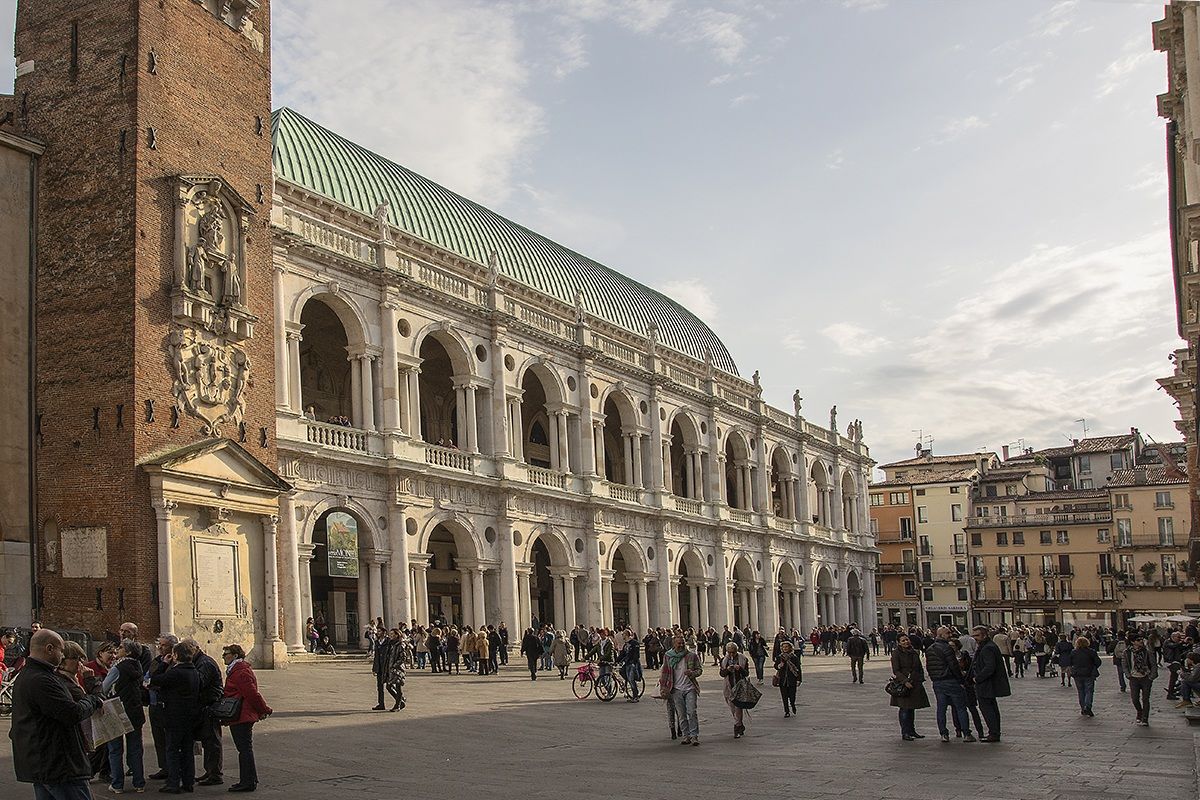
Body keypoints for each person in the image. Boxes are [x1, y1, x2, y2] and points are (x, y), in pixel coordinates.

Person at [9, 629, 105, 800]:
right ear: (49, 649)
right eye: (61, 651)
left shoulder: (30, 675)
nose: (62, 656)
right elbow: (72, 713)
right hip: (58, 764)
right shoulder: (41, 679)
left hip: (45, 762)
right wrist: (93, 700)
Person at [149, 641, 202, 794]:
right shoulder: (194, 671)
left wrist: (164, 664)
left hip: (174, 716)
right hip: (189, 716)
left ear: (176, 655)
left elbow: (155, 678)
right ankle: (188, 782)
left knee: (172, 750)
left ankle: (173, 782)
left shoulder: (176, 672)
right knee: (187, 750)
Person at [219, 644, 271, 793]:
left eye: (226, 654)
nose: (223, 657)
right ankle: (250, 779)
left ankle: (247, 782)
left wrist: (264, 709)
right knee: (244, 749)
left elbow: (252, 694)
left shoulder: (240, 671)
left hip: (242, 715)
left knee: (244, 749)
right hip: (239, 714)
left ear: (235, 655)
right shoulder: (236, 670)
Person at [102, 640, 149, 794]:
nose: (118, 649)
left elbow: (104, 688)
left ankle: (117, 784)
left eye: (121, 647)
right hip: (134, 710)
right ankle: (139, 782)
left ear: (128, 652)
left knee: (115, 749)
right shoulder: (138, 666)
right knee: (135, 748)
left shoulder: (118, 668)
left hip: (117, 710)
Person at [926, 626, 973, 743]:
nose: (950, 635)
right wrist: (961, 681)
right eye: (947, 633)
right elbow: (954, 666)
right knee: (960, 708)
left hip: (937, 682)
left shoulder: (930, 649)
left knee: (941, 709)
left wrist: (934, 678)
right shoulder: (947, 648)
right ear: (941, 635)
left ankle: (943, 734)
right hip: (950, 680)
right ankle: (966, 733)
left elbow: (929, 667)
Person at [189, 640, 225, 786]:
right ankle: (210, 771)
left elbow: (199, 682)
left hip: (209, 706)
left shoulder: (205, 663)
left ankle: (215, 774)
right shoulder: (199, 661)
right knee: (207, 741)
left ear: (196, 649)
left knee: (212, 741)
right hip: (204, 705)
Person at [660, 633, 703, 746]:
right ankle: (686, 736)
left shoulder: (691, 655)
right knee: (681, 714)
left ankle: (694, 736)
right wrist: (663, 688)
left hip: (690, 688)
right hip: (676, 689)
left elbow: (699, 670)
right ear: (674, 644)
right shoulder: (668, 656)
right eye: (679, 643)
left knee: (692, 712)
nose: (681, 645)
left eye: (683, 643)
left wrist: (692, 673)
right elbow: (665, 673)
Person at [146, 633, 179, 780]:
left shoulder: (174, 663)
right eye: (159, 644)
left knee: (170, 739)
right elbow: (149, 676)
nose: (160, 647)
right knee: (158, 737)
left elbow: (163, 680)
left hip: (167, 705)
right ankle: (164, 767)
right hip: (154, 703)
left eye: (163, 645)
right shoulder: (156, 660)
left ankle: (173, 769)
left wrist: (153, 682)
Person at [972, 626, 1011, 742]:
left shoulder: (987, 648)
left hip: (987, 684)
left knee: (988, 709)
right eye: (973, 636)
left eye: (977, 635)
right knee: (991, 708)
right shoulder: (987, 646)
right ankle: (994, 732)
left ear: (984, 635)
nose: (975, 638)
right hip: (988, 684)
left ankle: (994, 733)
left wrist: (977, 678)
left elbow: (990, 667)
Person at [890, 633, 929, 741]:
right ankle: (905, 732)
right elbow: (896, 670)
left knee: (912, 708)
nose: (906, 642)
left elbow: (919, 667)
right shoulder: (896, 653)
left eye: (907, 639)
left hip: (915, 683)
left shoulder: (914, 652)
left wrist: (920, 679)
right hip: (903, 685)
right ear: (899, 643)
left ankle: (912, 730)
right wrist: (905, 681)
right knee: (904, 709)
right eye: (903, 640)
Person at [1124, 632, 1158, 726]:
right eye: (1138, 640)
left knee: (1145, 699)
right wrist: (1128, 675)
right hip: (1134, 678)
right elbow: (1125, 665)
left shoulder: (1147, 652)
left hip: (1145, 677)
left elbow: (1153, 664)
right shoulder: (1127, 652)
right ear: (1132, 642)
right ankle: (1139, 711)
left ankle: (1145, 718)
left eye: (1142, 640)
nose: (1141, 641)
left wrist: (1151, 676)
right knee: (1135, 699)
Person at [718, 642, 750, 739]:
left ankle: (736, 727)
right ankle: (740, 724)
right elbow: (722, 674)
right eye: (729, 652)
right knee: (733, 708)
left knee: (738, 708)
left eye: (733, 652)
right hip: (729, 687)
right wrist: (727, 670)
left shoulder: (743, 659)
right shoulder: (724, 660)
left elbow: (746, 673)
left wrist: (739, 668)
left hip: (740, 686)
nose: (731, 654)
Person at [1068, 635, 1101, 717]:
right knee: (1089, 691)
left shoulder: (1073, 652)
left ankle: (1083, 708)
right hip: (1089, 673)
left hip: (1077, 674)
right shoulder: (1091, 652)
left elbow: (1070, 662)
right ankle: (1088, 706)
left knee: (1081, 691)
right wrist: (1093, 667)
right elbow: (1098, 662)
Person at [774, 640, 801, 718]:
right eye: (783, 647)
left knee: (792, 696)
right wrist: (779, 666)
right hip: (783, 680)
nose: (785, 648)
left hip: (792, 680)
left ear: (790, 648)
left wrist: (799, 679)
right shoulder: (780, 657)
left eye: (786, 647)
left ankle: (792, 704)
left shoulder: (794, 658)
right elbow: (775, 666)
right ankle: (786, 711)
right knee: (784, 697)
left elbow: (798, 669)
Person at [371, 626, 395, 709]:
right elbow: (376, 656)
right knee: (380, 687)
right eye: (377, 631)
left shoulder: (389, 642)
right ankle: (381, 704)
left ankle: (400, 700)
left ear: (384, 632)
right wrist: (374, 668)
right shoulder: (377, 642)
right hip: (380, 668)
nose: (378, 633)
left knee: (390, 686)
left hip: (387, 667)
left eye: (379, 631)